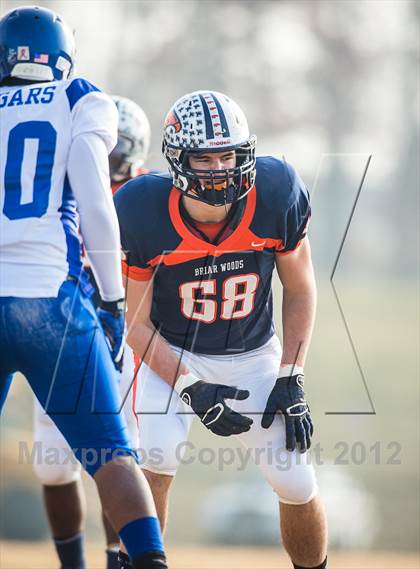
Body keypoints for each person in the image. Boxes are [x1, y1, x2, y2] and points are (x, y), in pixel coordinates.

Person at [114, 90, 328, 569]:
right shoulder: (141, 211)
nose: (220, 168)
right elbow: (136, 321)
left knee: (294, 479)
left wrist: (292, 374)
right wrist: (190, 385)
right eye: (205, 157)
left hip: (253, 352)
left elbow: (301, 288)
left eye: (228, 155)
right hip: (169, 351)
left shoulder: (276, 193)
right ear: (177, 159)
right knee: (156, 458)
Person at [0, 6, 167, 569]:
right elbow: (97, 205)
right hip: (52, 296)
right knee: (113, 455)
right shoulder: (80, 97)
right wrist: (115, 300)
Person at [31, 95, 152, 569]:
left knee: (117, 457)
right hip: (58, 333)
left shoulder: (143, 199)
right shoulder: (53, 190)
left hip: (111, 336)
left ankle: (115, 559)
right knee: (54, 462)